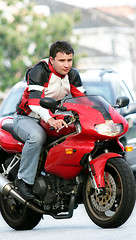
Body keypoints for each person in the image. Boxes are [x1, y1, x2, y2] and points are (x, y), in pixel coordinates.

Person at [13, 40, 85, 200]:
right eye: (62, 60)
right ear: (52, 60)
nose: (66, 65)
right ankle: (23, 181)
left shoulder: (72, 75)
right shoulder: (40, 71)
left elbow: (83, 100)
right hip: (27, 117)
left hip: (52, 116)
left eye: (69, 60)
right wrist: (50, 119)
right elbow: (34, 103)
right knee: (37, 137)